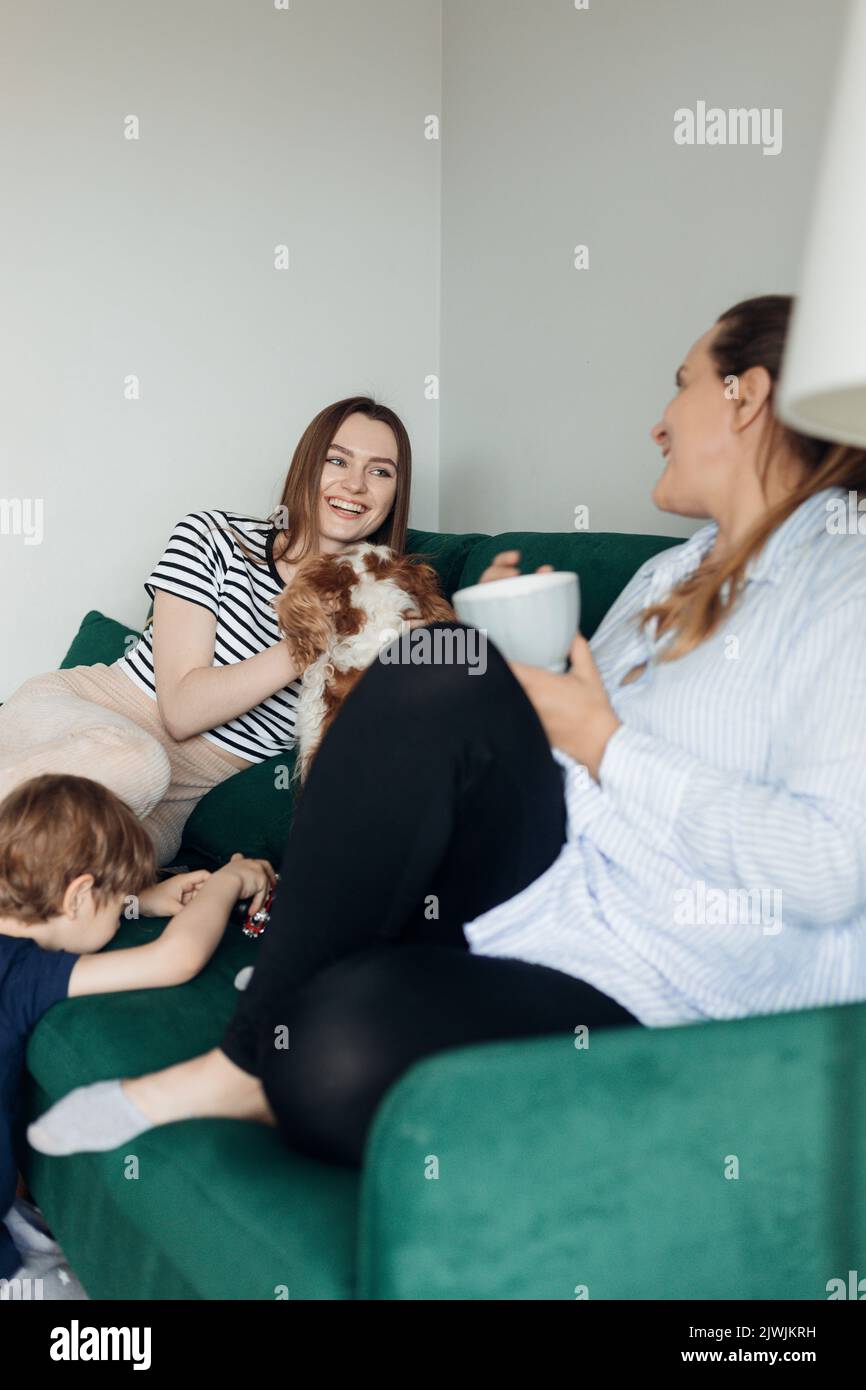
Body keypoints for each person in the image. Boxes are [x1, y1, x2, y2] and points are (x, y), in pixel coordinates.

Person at [28, 294, 866, 1170]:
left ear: (748, 395)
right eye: (339, 461)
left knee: (333, 1062)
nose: (659, 422)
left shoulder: (845, 582)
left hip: (678, 976)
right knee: (443, 664)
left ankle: (266, 1044)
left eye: (681, 385)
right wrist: (507, 669)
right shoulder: (670, 571)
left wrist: (601, 741)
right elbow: (545, 743)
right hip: (550, 902)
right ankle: (245, 1055)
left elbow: (826, 865)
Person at [0, 397, 411, 866]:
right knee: (136, 762)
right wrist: (315, 638)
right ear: (307, 466)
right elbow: (181, 710)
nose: (354, 485)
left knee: (102, 866)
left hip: (164, 805)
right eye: (336, 460)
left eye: (380, 472)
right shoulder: (214, 537)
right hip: (77, 721)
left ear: (396, 492)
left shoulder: (383, 610)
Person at [0, 771, 274, 1289]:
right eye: (117, 897)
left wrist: (138, 901)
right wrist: (226, 882)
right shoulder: (19, 973)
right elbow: (177, 958)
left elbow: (69, 913)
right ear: (79, 895)